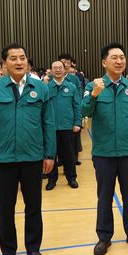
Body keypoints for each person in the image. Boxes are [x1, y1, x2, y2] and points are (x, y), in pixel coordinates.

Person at [0, 43, 56, 255]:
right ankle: (8, 252)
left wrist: (49, 154)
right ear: (4, 64)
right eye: (13, 58)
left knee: (34, 207)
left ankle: (33, 249)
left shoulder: (40, 87)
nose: (18, 62)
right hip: (4, 158)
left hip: (32, 157)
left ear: (28, 61)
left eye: (22, 58)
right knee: (6, 209)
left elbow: (48, 122)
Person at [82, 42, 128, 255]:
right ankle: (104, 237)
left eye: (122, 57)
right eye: (114, 57)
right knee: (104, 196)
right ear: (104, 62)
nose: (119, 61)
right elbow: (84, 112)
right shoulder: (93, 86)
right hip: (104, 153)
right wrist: (94, 94)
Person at [45, 61, 82, 190]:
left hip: (68, 127)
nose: (58, 70)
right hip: (51, 128)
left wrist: (78, 122)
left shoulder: (71, 87)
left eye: (60, 68)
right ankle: (51, 179)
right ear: (51, 70)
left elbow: (77, 106)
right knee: (51, 155)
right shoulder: (46, 88)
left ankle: (71, 178)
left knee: (69, 155)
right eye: (55, 68)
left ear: (64, 70)